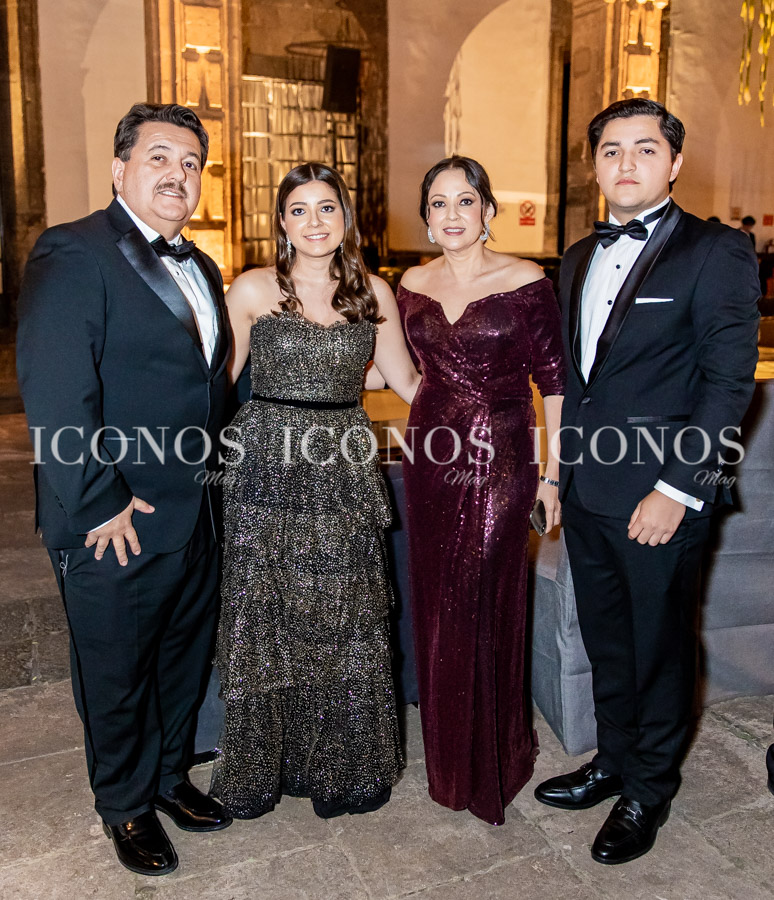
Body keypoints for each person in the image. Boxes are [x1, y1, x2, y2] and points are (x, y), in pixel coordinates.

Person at [534, 99, 760, 864]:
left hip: (663, 493)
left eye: (644, 149)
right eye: (610, 151)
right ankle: (613, 760)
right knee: (607, 639)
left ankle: (649, 788)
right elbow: (575, 381)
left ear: (675, 163)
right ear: (594, 165)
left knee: (659, 647)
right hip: (588, 491)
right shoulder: (575, 257)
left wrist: (679, 490)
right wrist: (557, 475)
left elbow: (728, 385)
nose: (625, 163)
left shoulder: (717, 250)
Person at [16, 103, 233, 877]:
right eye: (160, 157)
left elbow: (207, 389)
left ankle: (169, 777)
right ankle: (125, 804)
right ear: (120, 170)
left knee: (181, 658)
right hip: (117, 516)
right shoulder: (74, 251)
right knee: (116, 673)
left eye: (191, 163)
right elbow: (55, 390)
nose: (178, 174)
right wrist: (98, 501)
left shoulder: (204, 267)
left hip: (195, 510)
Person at [212, 162, 420, 820]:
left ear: (345, 217)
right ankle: (261, 766)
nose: (313, 222)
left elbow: (409, 384)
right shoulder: (253, 289)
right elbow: (213, 385)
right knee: (268, 612)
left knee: (342, 613)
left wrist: (489, 410)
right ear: (281, 222)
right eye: (298, 210)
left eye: (326, 207)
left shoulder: (373, 294)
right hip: (265, 465)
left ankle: (343, 766)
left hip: (342, 466)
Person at [396, 156, 566, 826]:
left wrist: (553, 474)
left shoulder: (525, 280)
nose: (451, 214)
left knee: (486, 594)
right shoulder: (411, 283)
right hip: (430, 455)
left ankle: (495, 758)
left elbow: (555, 383)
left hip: (502, 454)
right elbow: (405, 371)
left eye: (464, 200)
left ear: (489, 211)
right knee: (438, 600)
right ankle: (449, 763)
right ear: (426, 217)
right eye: (438, 203)